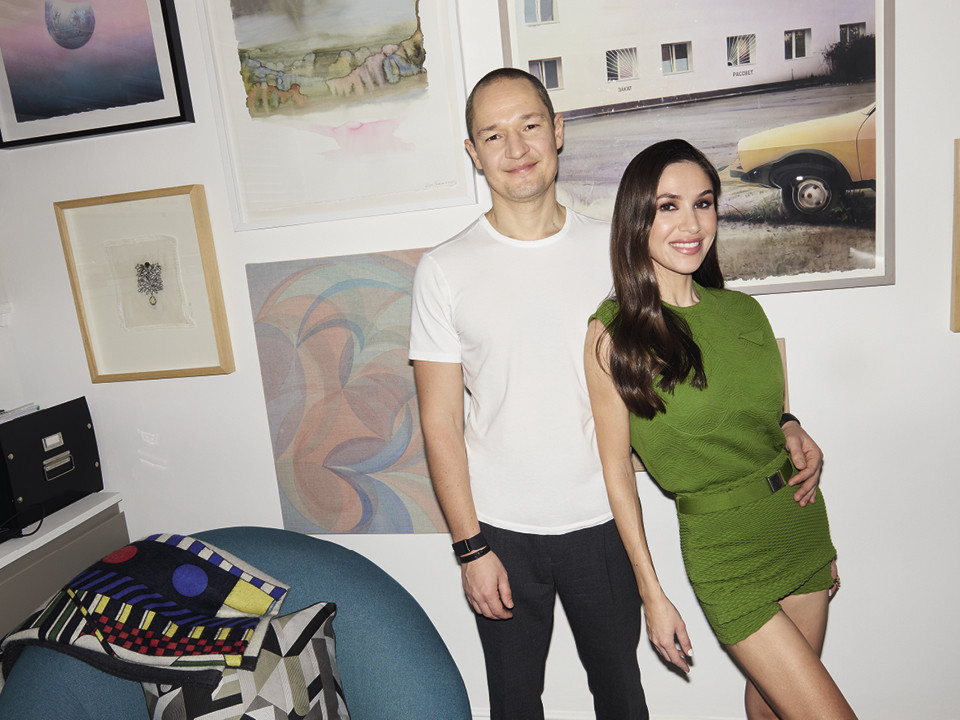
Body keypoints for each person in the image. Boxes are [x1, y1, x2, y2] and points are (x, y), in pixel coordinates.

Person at [410, 69, 823, 719]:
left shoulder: (616, 253)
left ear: (557, 130)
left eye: (529, 125)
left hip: (601, 519)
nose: (516, 148)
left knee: (623, 698)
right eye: (493, 135)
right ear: (473, 151)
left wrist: (787, 419)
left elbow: (714, 343)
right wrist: (470, 546)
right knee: (514, 704)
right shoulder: (443, 269)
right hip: (500, 529)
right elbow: (439, 421)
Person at [584, 138, 854, 720]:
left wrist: (791, 424)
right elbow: (616, 470)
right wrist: (651, 594)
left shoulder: (742, 311)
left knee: (771, 709)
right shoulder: (613, 334)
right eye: (668, 206)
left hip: (798, 521)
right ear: (636, 218)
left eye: (703, 203)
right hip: (725, 549)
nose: (691, 224)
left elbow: (762, 412)